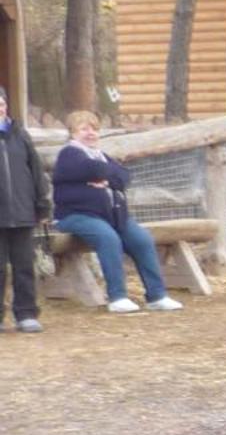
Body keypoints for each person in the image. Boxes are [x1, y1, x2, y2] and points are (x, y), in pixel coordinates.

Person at [52, 111, 181, 315]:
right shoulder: (69, 153)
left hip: (113, 216)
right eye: (84, 129)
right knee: (108, 239)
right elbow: (94, 169)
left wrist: (106, 177)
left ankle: (157, 296)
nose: (91, 133)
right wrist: (107, 174)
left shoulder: (100, 154)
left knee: (142, 240)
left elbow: (124, 177)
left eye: (94, 129)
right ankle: (117, 297)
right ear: (72, 133)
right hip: (77, 216)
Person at [0, 86, 52, 333]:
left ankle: (26, 313)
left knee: (23, 265)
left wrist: (42, 205)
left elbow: (36, 172)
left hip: (22, 213)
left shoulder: (21, 135)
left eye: (0, 103)